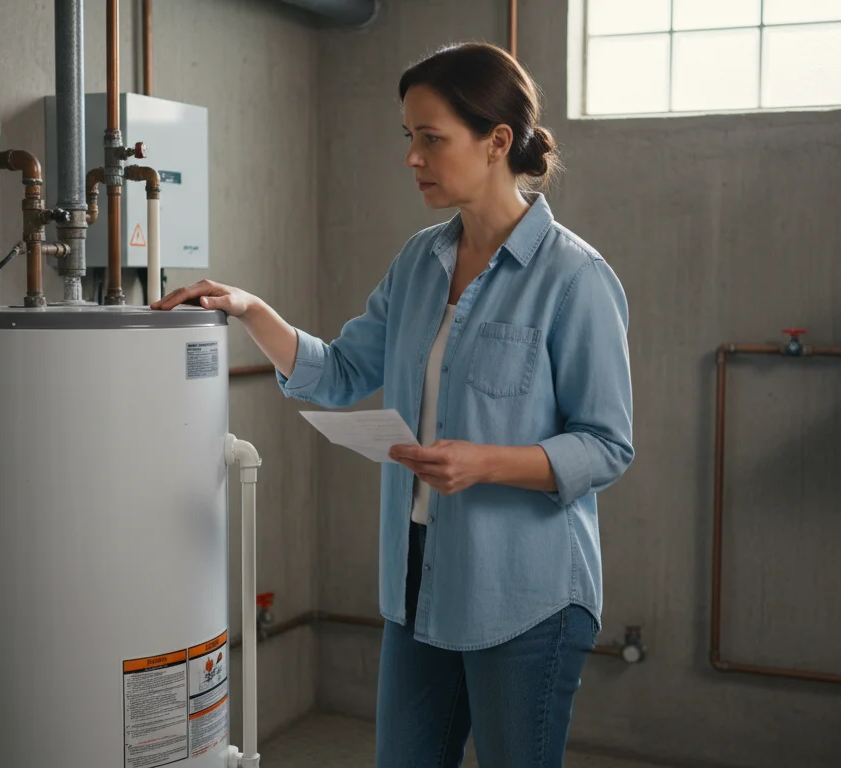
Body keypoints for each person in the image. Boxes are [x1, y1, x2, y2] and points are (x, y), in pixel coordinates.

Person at [154, 42, 633, 768]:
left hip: (527, 595)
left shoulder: (575, 277)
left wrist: (486, 463)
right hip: (419, 581)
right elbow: (344, 370)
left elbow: (606, 444)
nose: (413, 157)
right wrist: (251, 309)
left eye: (431, 138)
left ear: (497, 141)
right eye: (408, 137)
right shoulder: (418, 261)